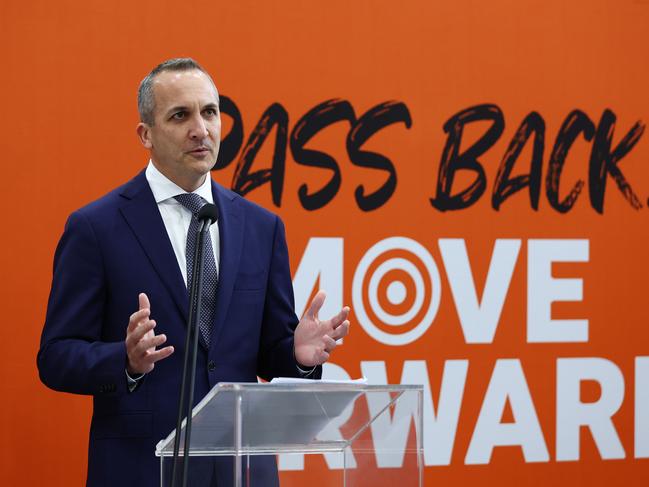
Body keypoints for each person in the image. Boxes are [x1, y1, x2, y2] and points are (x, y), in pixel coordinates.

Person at [37, 58, 350, 487]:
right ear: (145, 134)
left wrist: (295, 355)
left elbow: (261, 352)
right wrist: (124, 361)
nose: (201, 129)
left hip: (241, 471)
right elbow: (56, 357)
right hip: (141, 469)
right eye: (180, 115)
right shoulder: (96, 228)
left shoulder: (262, 227)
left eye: (210, 111)